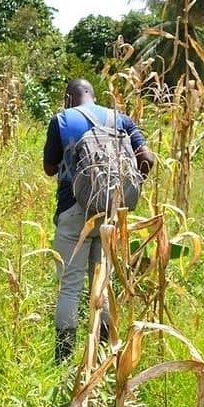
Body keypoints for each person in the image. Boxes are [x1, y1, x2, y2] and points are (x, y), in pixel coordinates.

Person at [42, 78, 154, 363]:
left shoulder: (62, 120)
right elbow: (147, 158)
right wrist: (127, 190)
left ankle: (63, 359)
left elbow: (49, 168)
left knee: (70, 286)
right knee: (102, 284)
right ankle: (104, 356)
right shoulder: (121, 119)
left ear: (68, 98)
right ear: (93, 94)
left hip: (73, 211)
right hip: (112, 213)